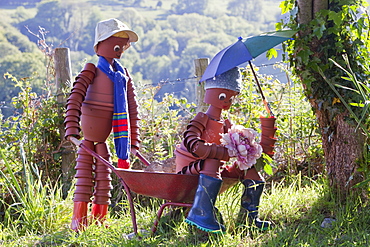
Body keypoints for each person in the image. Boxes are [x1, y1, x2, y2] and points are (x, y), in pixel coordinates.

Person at [64, 18, 141, 232]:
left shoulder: (123, 77)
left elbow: (132, 111)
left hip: (106, 139)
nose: (120, 50)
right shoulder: (91, 71)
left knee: (104, 179)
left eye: (123, 46)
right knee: (84, 177)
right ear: (99, 46)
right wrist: (72, 131)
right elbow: (75, 98)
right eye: (116, 45)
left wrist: (133, 142)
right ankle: (78, 219)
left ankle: (100, 218)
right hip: (87, 138)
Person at [174, 67, 273, 233]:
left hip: (214, 171)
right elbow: (193, 145)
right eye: (223, 96)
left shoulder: (225, 123)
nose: (227, 101)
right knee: (211, 160)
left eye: (231, 98)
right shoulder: (202, 119)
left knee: (248, 167)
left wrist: (246, 149)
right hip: (190, 170)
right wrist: (223, 153)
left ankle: (248, 218)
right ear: (211, 94)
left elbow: (237, 144)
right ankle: (200, 213)